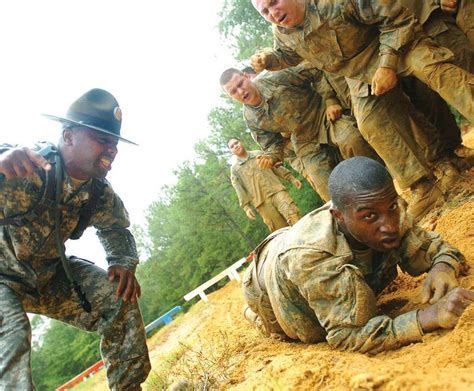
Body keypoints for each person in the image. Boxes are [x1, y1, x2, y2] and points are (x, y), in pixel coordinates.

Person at [242, 156, 473, 354]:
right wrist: (429, 316)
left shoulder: (382, 207)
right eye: (370, 216)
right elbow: (346, 336)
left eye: (392, 207)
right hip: (265, 283)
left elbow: (436, 249)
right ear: (339, 215)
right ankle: (252, 316)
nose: (390, 226)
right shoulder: (312, 257)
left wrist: (442, 267)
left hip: (298, 243)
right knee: (292, 331)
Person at [0, 89, 151, 390]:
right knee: (13, 333)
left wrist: (121, 261)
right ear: (68, 136)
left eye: (114, 143)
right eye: (102, 140)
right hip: (2, 280)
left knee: (116, 297)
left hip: (50, 276)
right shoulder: (29, 168)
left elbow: (116, 229)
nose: (112, 150)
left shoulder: (98, 191)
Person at [221, 65, 379, 201]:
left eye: (240, 84)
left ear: (245, 76)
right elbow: (271, 143)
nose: (240, 92)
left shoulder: (274, 77)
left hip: (323, 115)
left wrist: (330, 100)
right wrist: (270, 157)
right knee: (325, 187)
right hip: (304, 140)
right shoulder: (250, 118)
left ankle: (381, 183)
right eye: (233, 92)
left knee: (352, 140)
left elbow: (313, 72)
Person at [229, 137, 301, 232]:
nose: (236, 146)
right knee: (281, 231)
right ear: (231, 151)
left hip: (277, 191)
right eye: (232, 146)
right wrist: (246, 207)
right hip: (262, 203)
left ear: (241, 142)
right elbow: (239, 189)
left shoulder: (258, 154)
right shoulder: (235, 170)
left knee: (293, 215)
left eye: (236, 142)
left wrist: (291, 178)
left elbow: (276, 167)